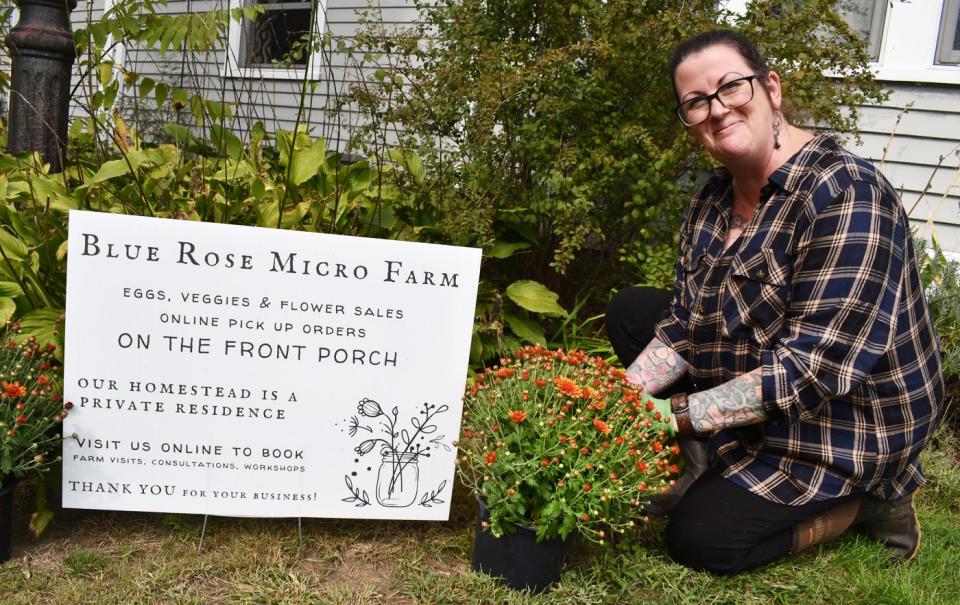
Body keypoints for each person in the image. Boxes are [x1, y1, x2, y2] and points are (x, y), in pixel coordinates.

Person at [605, 29, 944, 575]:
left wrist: (672, 416)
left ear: (771, 89)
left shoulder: (847, 195)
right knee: (632, 311)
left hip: (850, 415)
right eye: (696, 102)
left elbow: (811, 372)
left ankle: (871, 504)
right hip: (767, 371)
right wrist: (615, 402)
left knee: (699, 539)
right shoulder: (712, 198)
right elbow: (686, 326)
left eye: (730, 88)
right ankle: (707, 464)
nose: (717, 111)